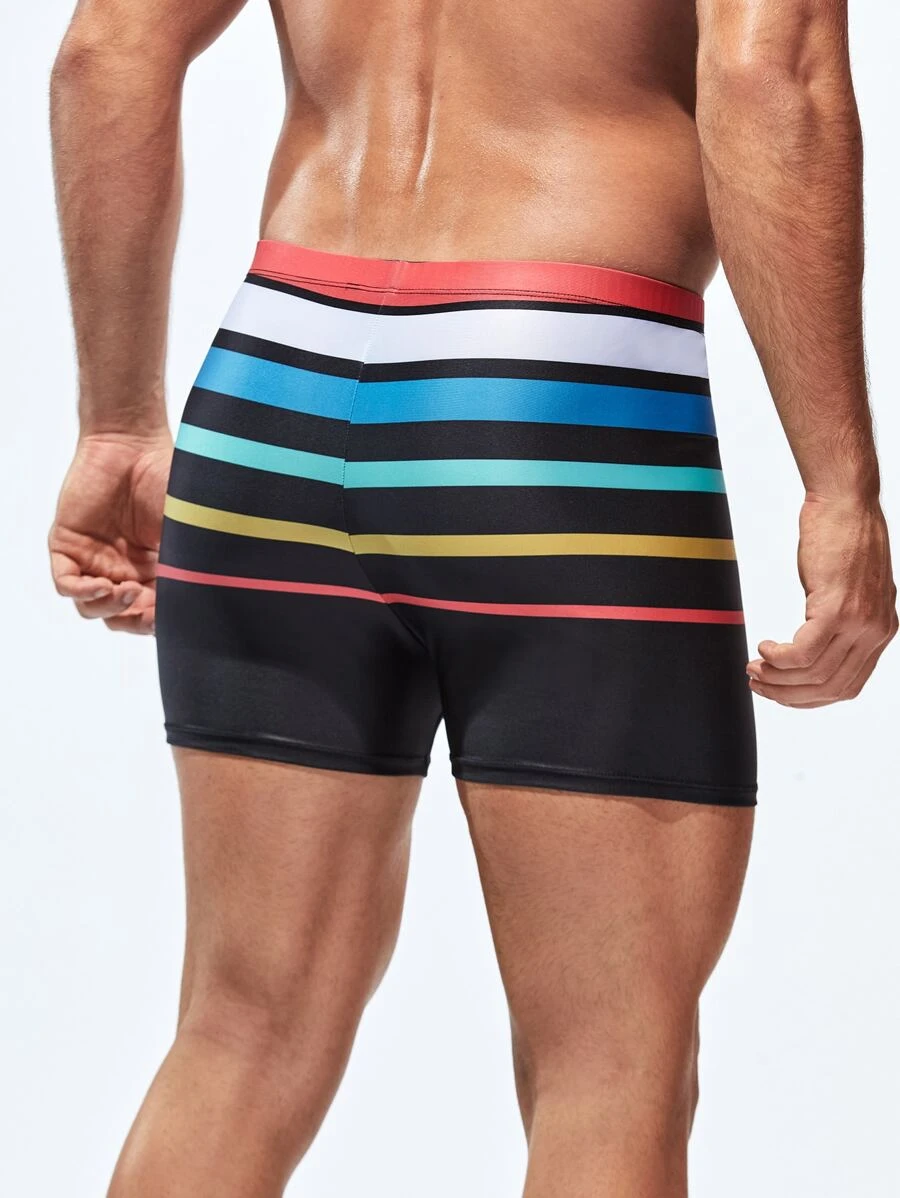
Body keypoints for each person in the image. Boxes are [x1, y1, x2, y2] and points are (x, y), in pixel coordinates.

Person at [47, 0, 896, 1194]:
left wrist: (115, 422)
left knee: (242, 1035)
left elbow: (107, 49)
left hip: (276, 393)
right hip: (559, 402)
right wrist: (842, 484)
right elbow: (773, 74)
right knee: (610, 1069)